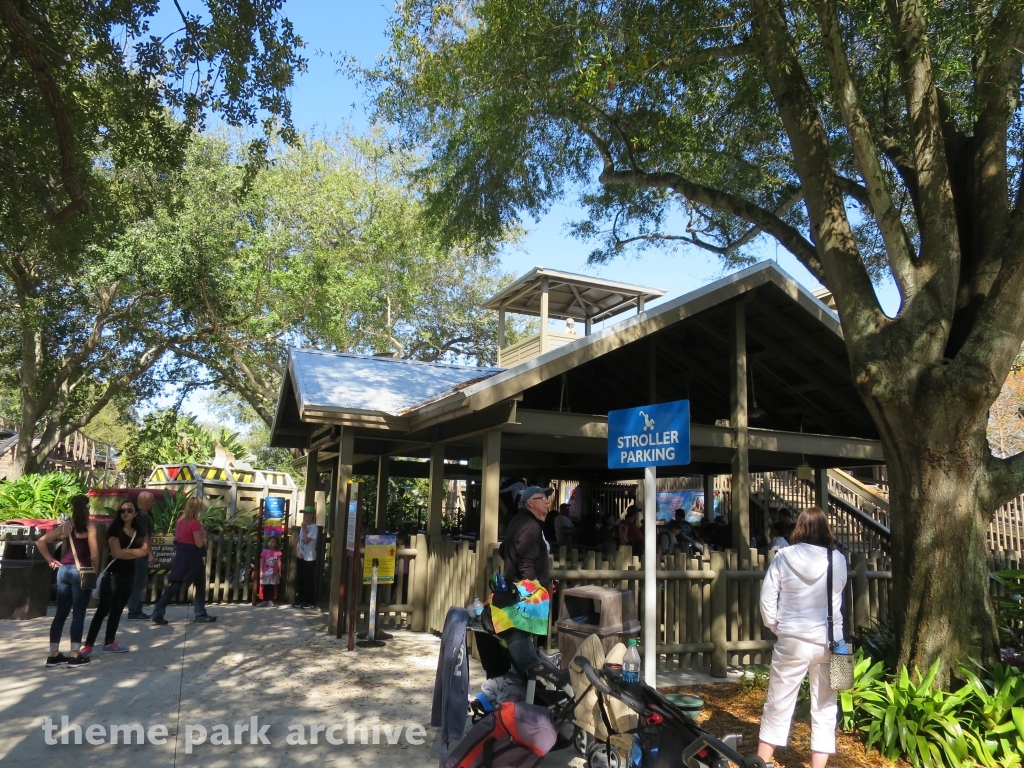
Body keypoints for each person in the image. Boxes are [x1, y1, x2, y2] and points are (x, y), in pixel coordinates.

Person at [758, 507, 848, 768]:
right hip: (829, 641)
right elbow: (838, 593)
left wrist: (778, 626)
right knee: (825, 705)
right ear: (825, 529)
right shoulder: (837, 559)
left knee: (778, 701)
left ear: (799, 528)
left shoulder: (783, 557)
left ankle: (761, 761)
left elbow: (767, 600)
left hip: (792, 640)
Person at [497, 486, 564, 683]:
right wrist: (537, 590)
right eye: (542, 498)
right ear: (529, 502)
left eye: (546, 497)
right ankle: (515, 698)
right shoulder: (531, 527)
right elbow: (525, 564)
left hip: (514, 591)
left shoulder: (519, 522)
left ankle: (515, 696)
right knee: (522, 655)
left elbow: (504, 550)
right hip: (524, 596)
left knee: (519, 648)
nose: (546, 501)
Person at [35, 495, 99, 667]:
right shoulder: (90, 527)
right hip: (81, 571)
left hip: (63, 570)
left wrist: (50, 560)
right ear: (88, 507)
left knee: (61, 613)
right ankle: (75, 655)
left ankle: (54, 654)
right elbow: (93, 554)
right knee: (78, 614)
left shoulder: (66, 526)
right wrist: (95, 571)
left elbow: (41, 541)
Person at [82, 500, 150, 655]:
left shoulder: (139, 532)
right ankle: (88, 644)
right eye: (122, 511)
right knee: (103, 610)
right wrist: (133, 552)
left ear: (136, 513)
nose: (125, 513)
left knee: (118, 610)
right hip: (112, 575)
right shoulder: (115, 531)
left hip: (129, 575)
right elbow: (117, 554)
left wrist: (127, 550)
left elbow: (144, 552)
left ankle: (109, 641)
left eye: (129, 510)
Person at [149, 498, 217, 624]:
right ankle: (200, 613)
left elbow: (177, 537)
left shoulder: (180, 520)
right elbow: (198, 544)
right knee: (199, 585)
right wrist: (203, 536)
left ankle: (158, 611)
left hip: (182, 555)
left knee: (176, 584)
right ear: (197, 508)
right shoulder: (194, 523)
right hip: (193, 558)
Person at [126, 490, 157, 620]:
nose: (153, 504)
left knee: (132, 582)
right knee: (138, 583)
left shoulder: (132, 514)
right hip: (139, 554)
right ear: (147, 502)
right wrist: (150, 553)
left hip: (129, 554)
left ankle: (134, 609)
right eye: (152, 501)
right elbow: (144, 536)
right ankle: (134, 611)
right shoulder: (143, 516)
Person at [293, 506, 318, 609]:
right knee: (301, 579)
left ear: (312, 515)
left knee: (308, 580)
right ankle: (301, 599)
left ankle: (310, 601)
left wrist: (303, 528)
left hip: (310, 557)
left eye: (307, 513)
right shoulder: (303, 526)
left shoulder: (314, 527)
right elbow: (299, 540)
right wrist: (297, 552)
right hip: (301, 556)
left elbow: (307, 540)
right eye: (304, 513)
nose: (305, 516)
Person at [258, 537, 283, 606]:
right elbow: (262, 562)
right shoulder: (264, 552)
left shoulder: (278, 553)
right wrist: (261, 571)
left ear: (276, 544)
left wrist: (280, 572)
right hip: (265, 572)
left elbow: (279, 563)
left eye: (273, 542)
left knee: (272, 586)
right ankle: (264, 600)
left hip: (274, 573)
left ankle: (270, 600)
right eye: (269, 541)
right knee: (265, 586)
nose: (270, 543)